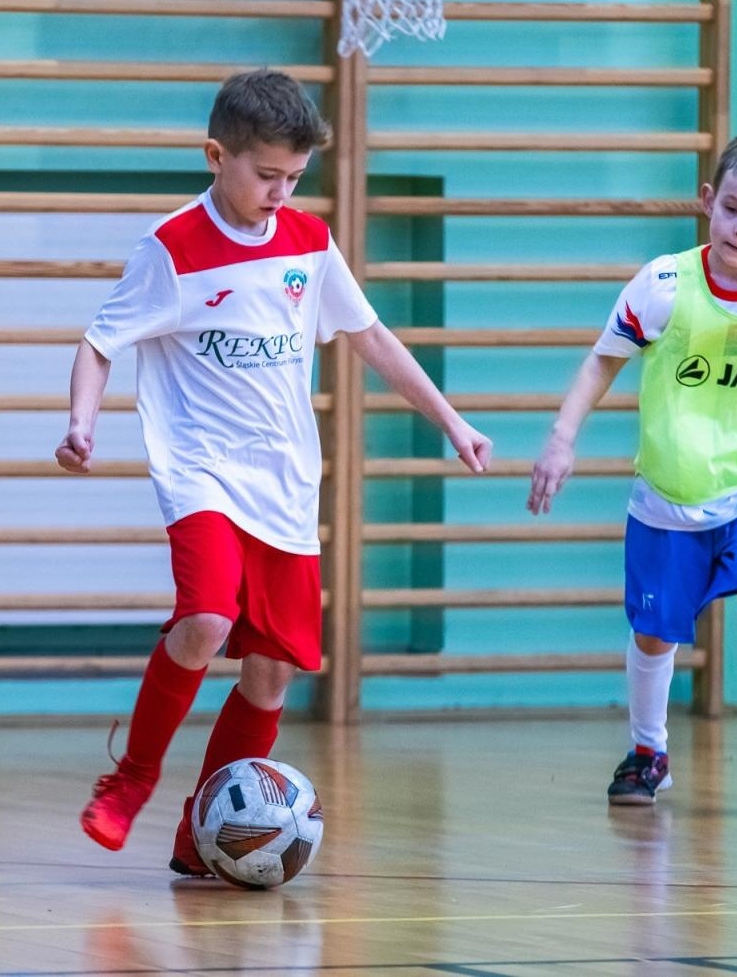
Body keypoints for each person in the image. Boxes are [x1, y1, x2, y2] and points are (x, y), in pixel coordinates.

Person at [58, 68, 493, 872]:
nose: (280, 192)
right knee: (207, 619)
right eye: (266, 175)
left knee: (273, 672)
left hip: (286, 481)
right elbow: (98, 342)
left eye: (294, 177)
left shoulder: (308, 239)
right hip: (201, 471)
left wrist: (452, 421)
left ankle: (200, 831)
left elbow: (372, 340)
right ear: (216, 155)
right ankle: (130, 779)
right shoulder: (172, 249)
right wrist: (82, 422)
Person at [527, 130, 737, 805]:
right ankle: (648, 750)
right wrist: (562, 439)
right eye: (732, 208)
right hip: (667, 493)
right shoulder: (664, 284)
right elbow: (601, 362)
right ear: (707, 199)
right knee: (653, 632)